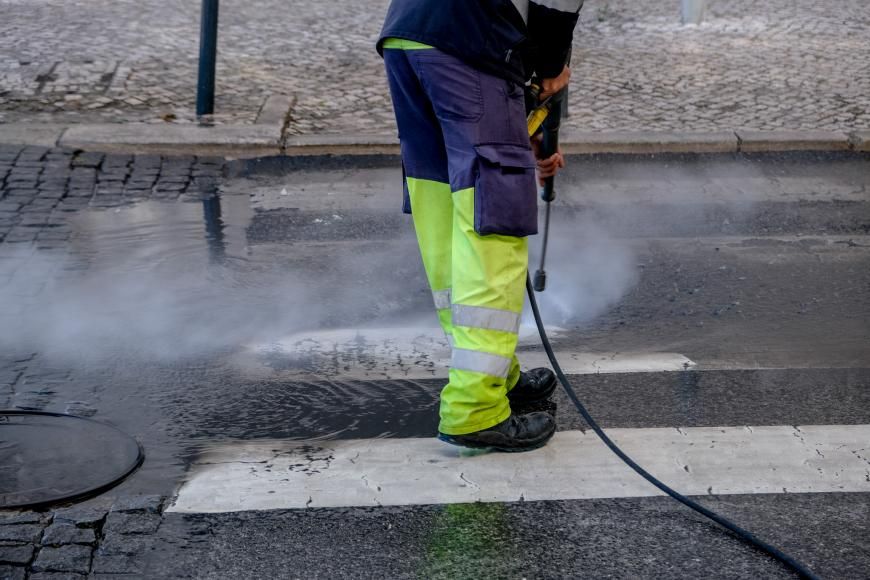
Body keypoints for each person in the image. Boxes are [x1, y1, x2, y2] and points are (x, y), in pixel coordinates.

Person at [377, 0, 583, 452]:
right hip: (469, 40)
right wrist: (551, 69)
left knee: (445, 212)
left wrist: (526, 130)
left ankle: (492, 373)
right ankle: (475, 408)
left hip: (409, 34)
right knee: (492, 225)